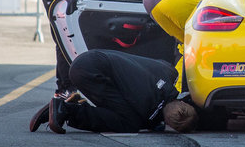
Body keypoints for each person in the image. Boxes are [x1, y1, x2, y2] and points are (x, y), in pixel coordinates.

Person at [43, 49, 198, 134]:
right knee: (129, 123)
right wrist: (155, 122)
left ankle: (63, 107)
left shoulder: (169, 73)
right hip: (90, 73)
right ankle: (66, 110)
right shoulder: (148, 106)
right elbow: (147, 119)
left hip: (91, 58)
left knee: (121, 107)